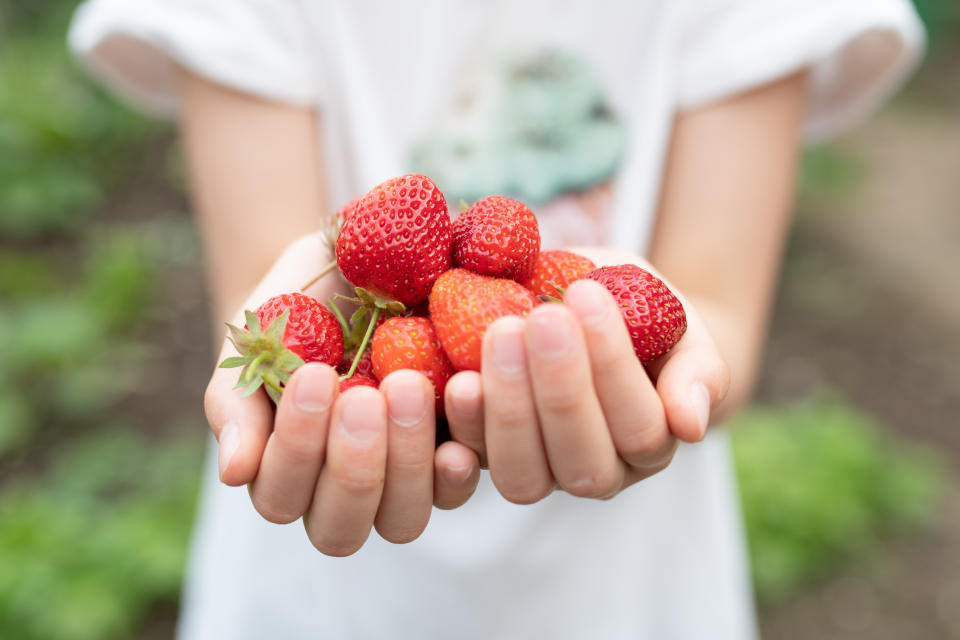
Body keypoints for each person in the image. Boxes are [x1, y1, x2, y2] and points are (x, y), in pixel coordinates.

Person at [69, 1, 924, 638]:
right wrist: (299, 352)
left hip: (627, 594)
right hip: (319, 596)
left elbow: (715, 310)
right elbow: (265, 309)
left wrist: (675, 358)